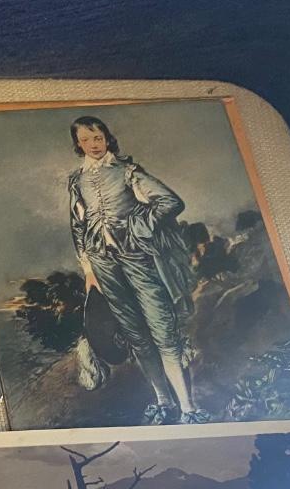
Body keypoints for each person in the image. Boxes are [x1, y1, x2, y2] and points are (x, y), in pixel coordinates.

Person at [67, 115, 205, 424]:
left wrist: (138, 227)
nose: (93, 144)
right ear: (78, 143)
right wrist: (88, 269)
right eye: (86, 139)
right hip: (103, 266)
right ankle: (163, 401)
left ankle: (189, 409)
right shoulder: (77, 181)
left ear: (107, 138)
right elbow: (78, 226)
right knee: (137, 337)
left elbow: (170, 202)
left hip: (138, 260)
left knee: (163, 332)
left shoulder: (128, 172)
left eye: (98, 137)